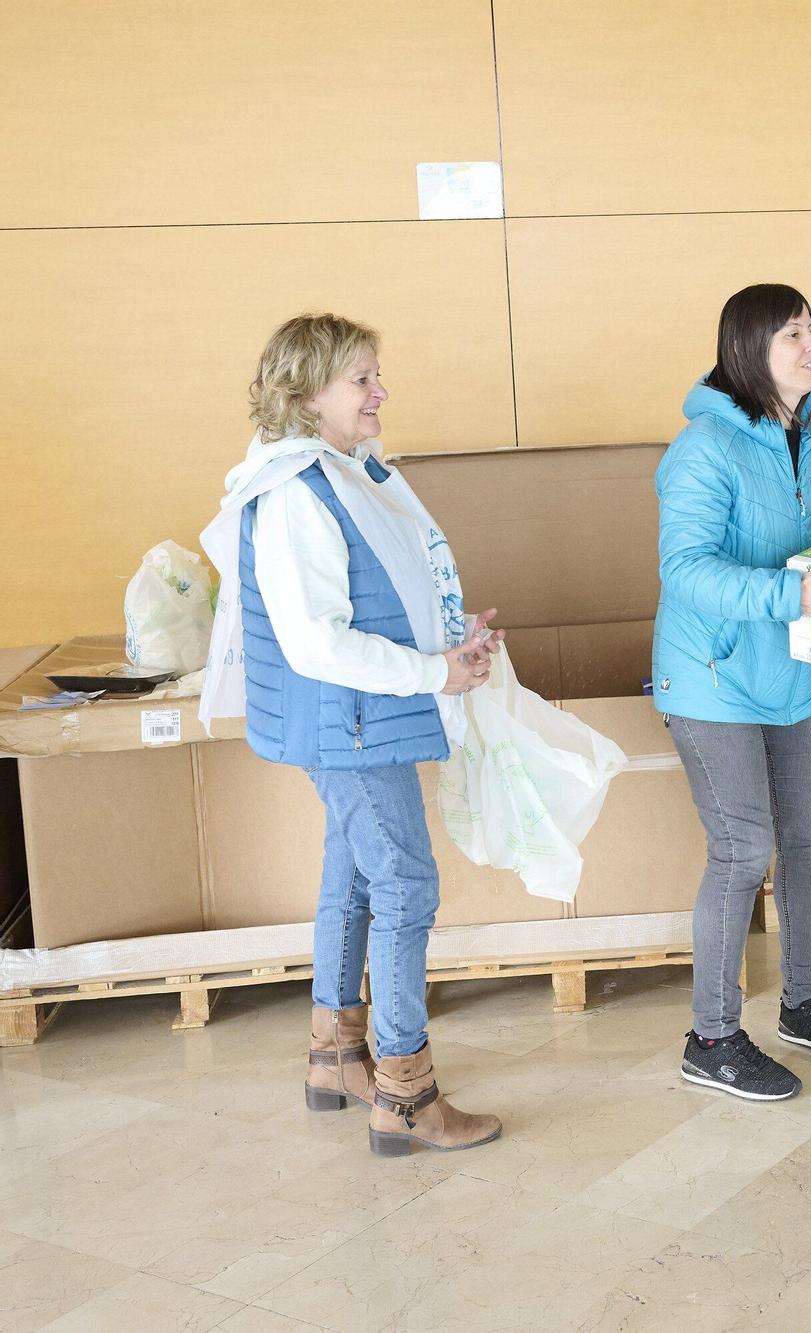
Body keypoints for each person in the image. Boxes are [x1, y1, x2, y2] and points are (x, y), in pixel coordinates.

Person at [197, 314, 503, 1157]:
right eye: (361, 378)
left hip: (356, 720)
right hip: (352, 724)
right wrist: (434, 672)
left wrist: (450, 644)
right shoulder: (297, 492)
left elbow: (383, 598)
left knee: (358, 872)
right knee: (405, 884)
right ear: (307, 395)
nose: (380, 391)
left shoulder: (341, 473)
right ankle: (406, 1093)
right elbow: (318, 644)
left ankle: (337, 1056)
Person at [654, 284, 811, 1103]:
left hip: (793, 671)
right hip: (711, 678)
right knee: (744, 849)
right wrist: (792, 594)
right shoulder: (704, 448)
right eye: (791, 335)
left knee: (809, 838)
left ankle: (803, 1003)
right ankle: (711, 1038)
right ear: (749, 349)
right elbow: (686, 568)